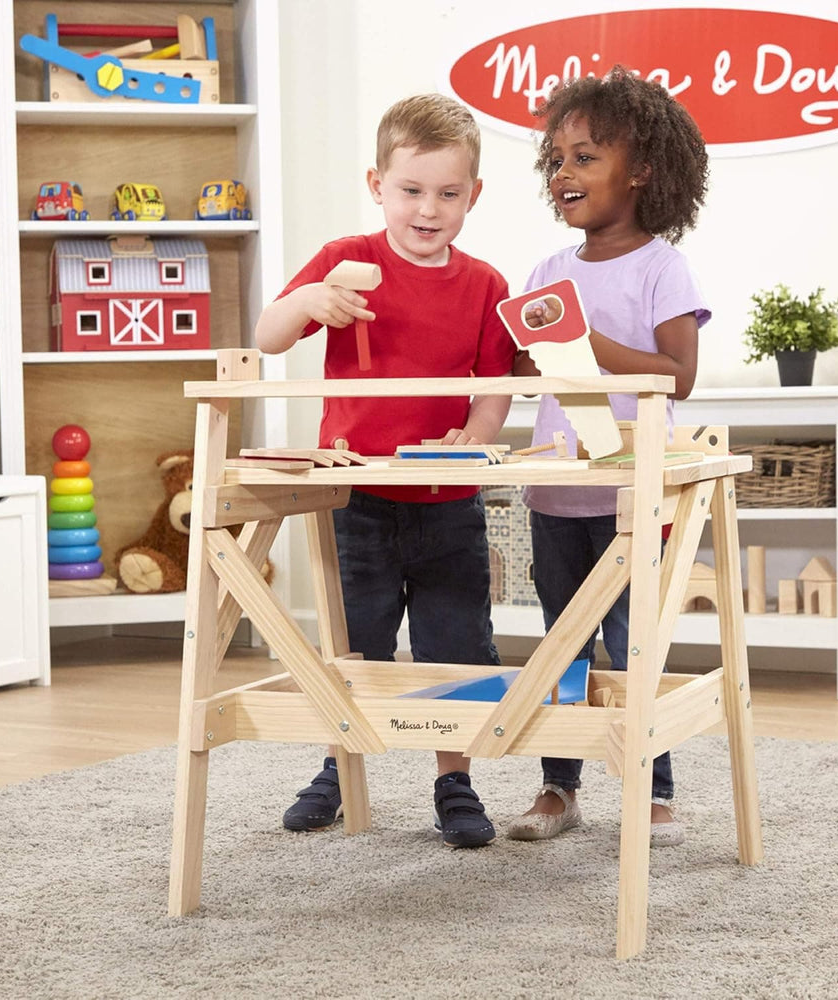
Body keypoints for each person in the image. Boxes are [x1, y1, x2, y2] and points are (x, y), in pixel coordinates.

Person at [255, 94, 516, 848]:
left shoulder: (486, 285)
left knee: (456, 642)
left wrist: (472, 435)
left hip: (447, 500)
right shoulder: (347, 260)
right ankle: (341, 766)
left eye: (448, 193)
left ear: (473, 195)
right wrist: (309, 297)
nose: (427, 209)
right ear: (378, 184)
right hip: (357, 495)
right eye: (411, 190)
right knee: (356, 642)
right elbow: (270, 338)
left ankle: (454, 778)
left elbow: (493, 389)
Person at [507, 67, 711, 846]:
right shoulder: (548, 273)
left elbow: (678, 376)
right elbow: (530, 380)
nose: (565, 173)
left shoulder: (662, 267)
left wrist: (587, 340)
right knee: (563, 641)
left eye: (586, 157)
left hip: (633, 494)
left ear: (645, 170)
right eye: (556, 160)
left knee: (631, 646)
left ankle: (653, 791)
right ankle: (560, 787)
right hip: (556, 494)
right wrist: (527, 359)